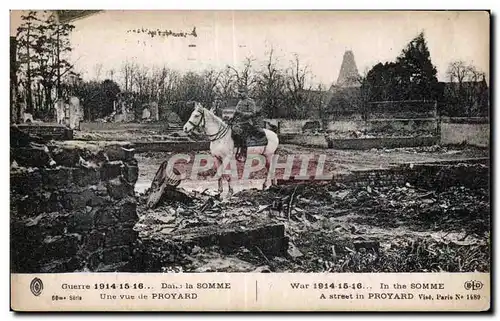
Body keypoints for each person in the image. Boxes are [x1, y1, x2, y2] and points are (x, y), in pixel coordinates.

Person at [231, 85, 263, 160]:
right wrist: (232, 118)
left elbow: (253, 113)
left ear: (246, 93)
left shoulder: (250, 101)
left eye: (241, 92)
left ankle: (244, 153)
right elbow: (236, 112)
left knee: (243, 135)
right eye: (239, 92)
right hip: (238, 122)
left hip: (247, 122)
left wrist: (242, 113)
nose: (239, 94)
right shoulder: (240, 101)